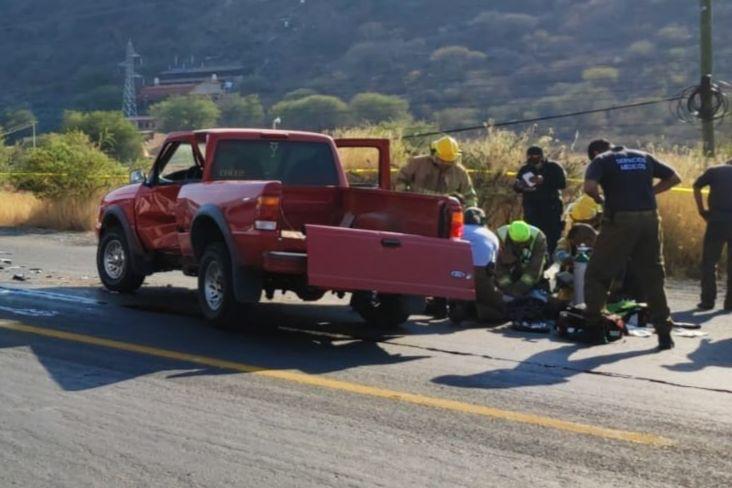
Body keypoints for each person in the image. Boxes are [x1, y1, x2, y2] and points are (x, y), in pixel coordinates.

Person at [583, 139, 682, 350]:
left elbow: (589, 187)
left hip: (620, 219)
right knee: (653, 275)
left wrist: (601, 200)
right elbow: (674, 178)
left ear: (596, 152)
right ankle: (664, 333)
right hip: (649, 218)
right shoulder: (643, 156)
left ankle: (593, 326)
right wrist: (650, 192)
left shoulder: (601, 160)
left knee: (598, 273)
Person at [395, 135, 478, 207]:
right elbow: (399, 181)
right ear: (434, 153)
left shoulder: (460, 172)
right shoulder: (417, 163)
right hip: (416, 208)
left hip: (445, 213)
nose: (445, 164)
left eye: (449, 162)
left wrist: (470, 210)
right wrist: (404, 199)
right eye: (442, 161)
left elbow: (470, 196)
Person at [693, 159, 732, 311]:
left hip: (717, 220)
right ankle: (730, 303)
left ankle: (708, 301)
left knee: (709, 262)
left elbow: (696, 186)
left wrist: (701, 210)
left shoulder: (715, 170)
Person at [513, 146, 567, 255]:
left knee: (552, 238)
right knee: (533, 237)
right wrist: (520, 186)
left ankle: (551, 258)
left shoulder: (553, 167)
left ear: (541, 157)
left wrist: (544, 180)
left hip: (551, 209)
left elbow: (562, 184)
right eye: (530, 157)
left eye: (535, 157)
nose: (533, 160)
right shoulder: (525, 169)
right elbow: (517, 186)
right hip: (531, 209)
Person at [458, 207, 504, 322]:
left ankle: (448, 305)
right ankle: (475, 309)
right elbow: (494, 262)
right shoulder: (491, 235)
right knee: (498, 309)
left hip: (456, 271)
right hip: (480, 273)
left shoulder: (458, 230)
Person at [495, 220, 548, 298]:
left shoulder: (538, 238)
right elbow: (498, 267)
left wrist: (519, 289)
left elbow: (534, 269)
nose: (521, 246)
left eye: (523, 243)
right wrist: (507, 288)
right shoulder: (500, 236)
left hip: (528, 267)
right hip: (508, 268)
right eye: (518, 244)